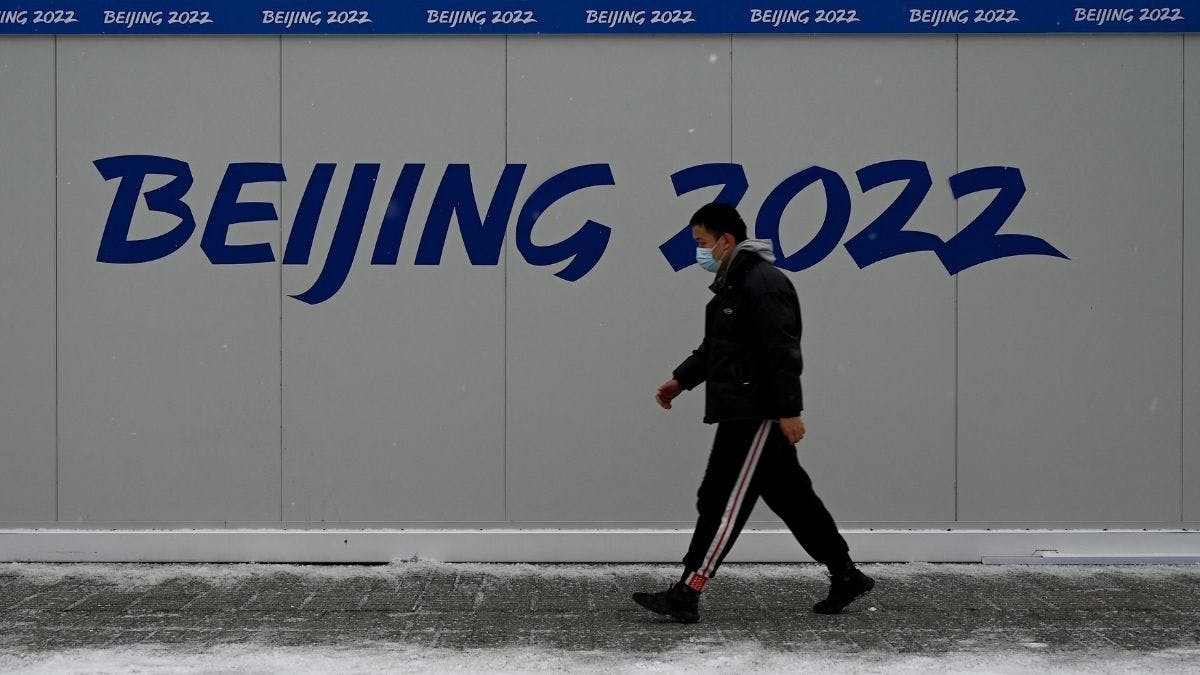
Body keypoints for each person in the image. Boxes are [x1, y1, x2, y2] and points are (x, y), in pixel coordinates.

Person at [632, 202, 874, 623]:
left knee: (722, 500)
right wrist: (681, 380)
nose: (699, 252)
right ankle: (846, 575)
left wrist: (788, 410)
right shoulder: (735, 283)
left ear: (726, 240)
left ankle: (688, 590)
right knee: (793, 499)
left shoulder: (763, 283)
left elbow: (781, 350)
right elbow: (719, 348)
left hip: (756, 412)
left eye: (702, 242)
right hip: (744, 408)